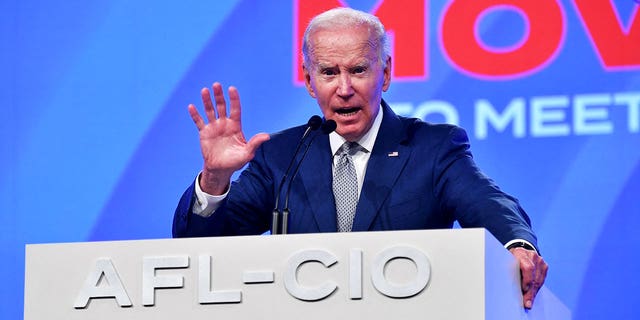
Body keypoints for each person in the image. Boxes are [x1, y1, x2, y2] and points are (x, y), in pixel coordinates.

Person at [173, 7, 547, 309]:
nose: (345, 89)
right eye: (329, 72)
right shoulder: (281, 155)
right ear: (308, 80)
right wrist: (215, 179)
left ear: (385, 73)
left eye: (358, 70)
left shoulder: (433, 147)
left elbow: (487, 202)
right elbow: (202, 249)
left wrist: (517, 245)